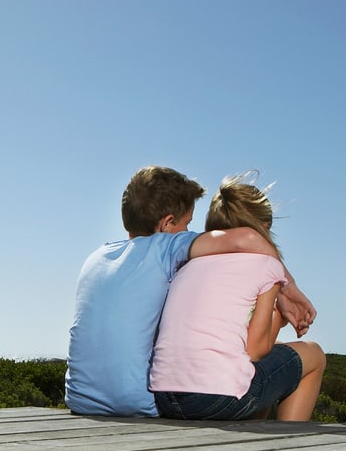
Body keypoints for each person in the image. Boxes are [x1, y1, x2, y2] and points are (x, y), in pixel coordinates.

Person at [65, 165, 317, 417]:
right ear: (167, 224)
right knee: (282, 360)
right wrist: (287, 287)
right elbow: (249, 239)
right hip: (141, 402)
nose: (189, 231)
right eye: (187, 223)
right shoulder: (167, 249)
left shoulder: (96, 257)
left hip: (80, 400)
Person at [149, 173, 326, 421]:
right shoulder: (266, 266)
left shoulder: (187, 264)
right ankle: (290, 438)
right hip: (216, 399)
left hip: (165, 398)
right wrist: (279, 318)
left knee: (258, 370)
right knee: (314, 353)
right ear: (264, 226)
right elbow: (255, 351)